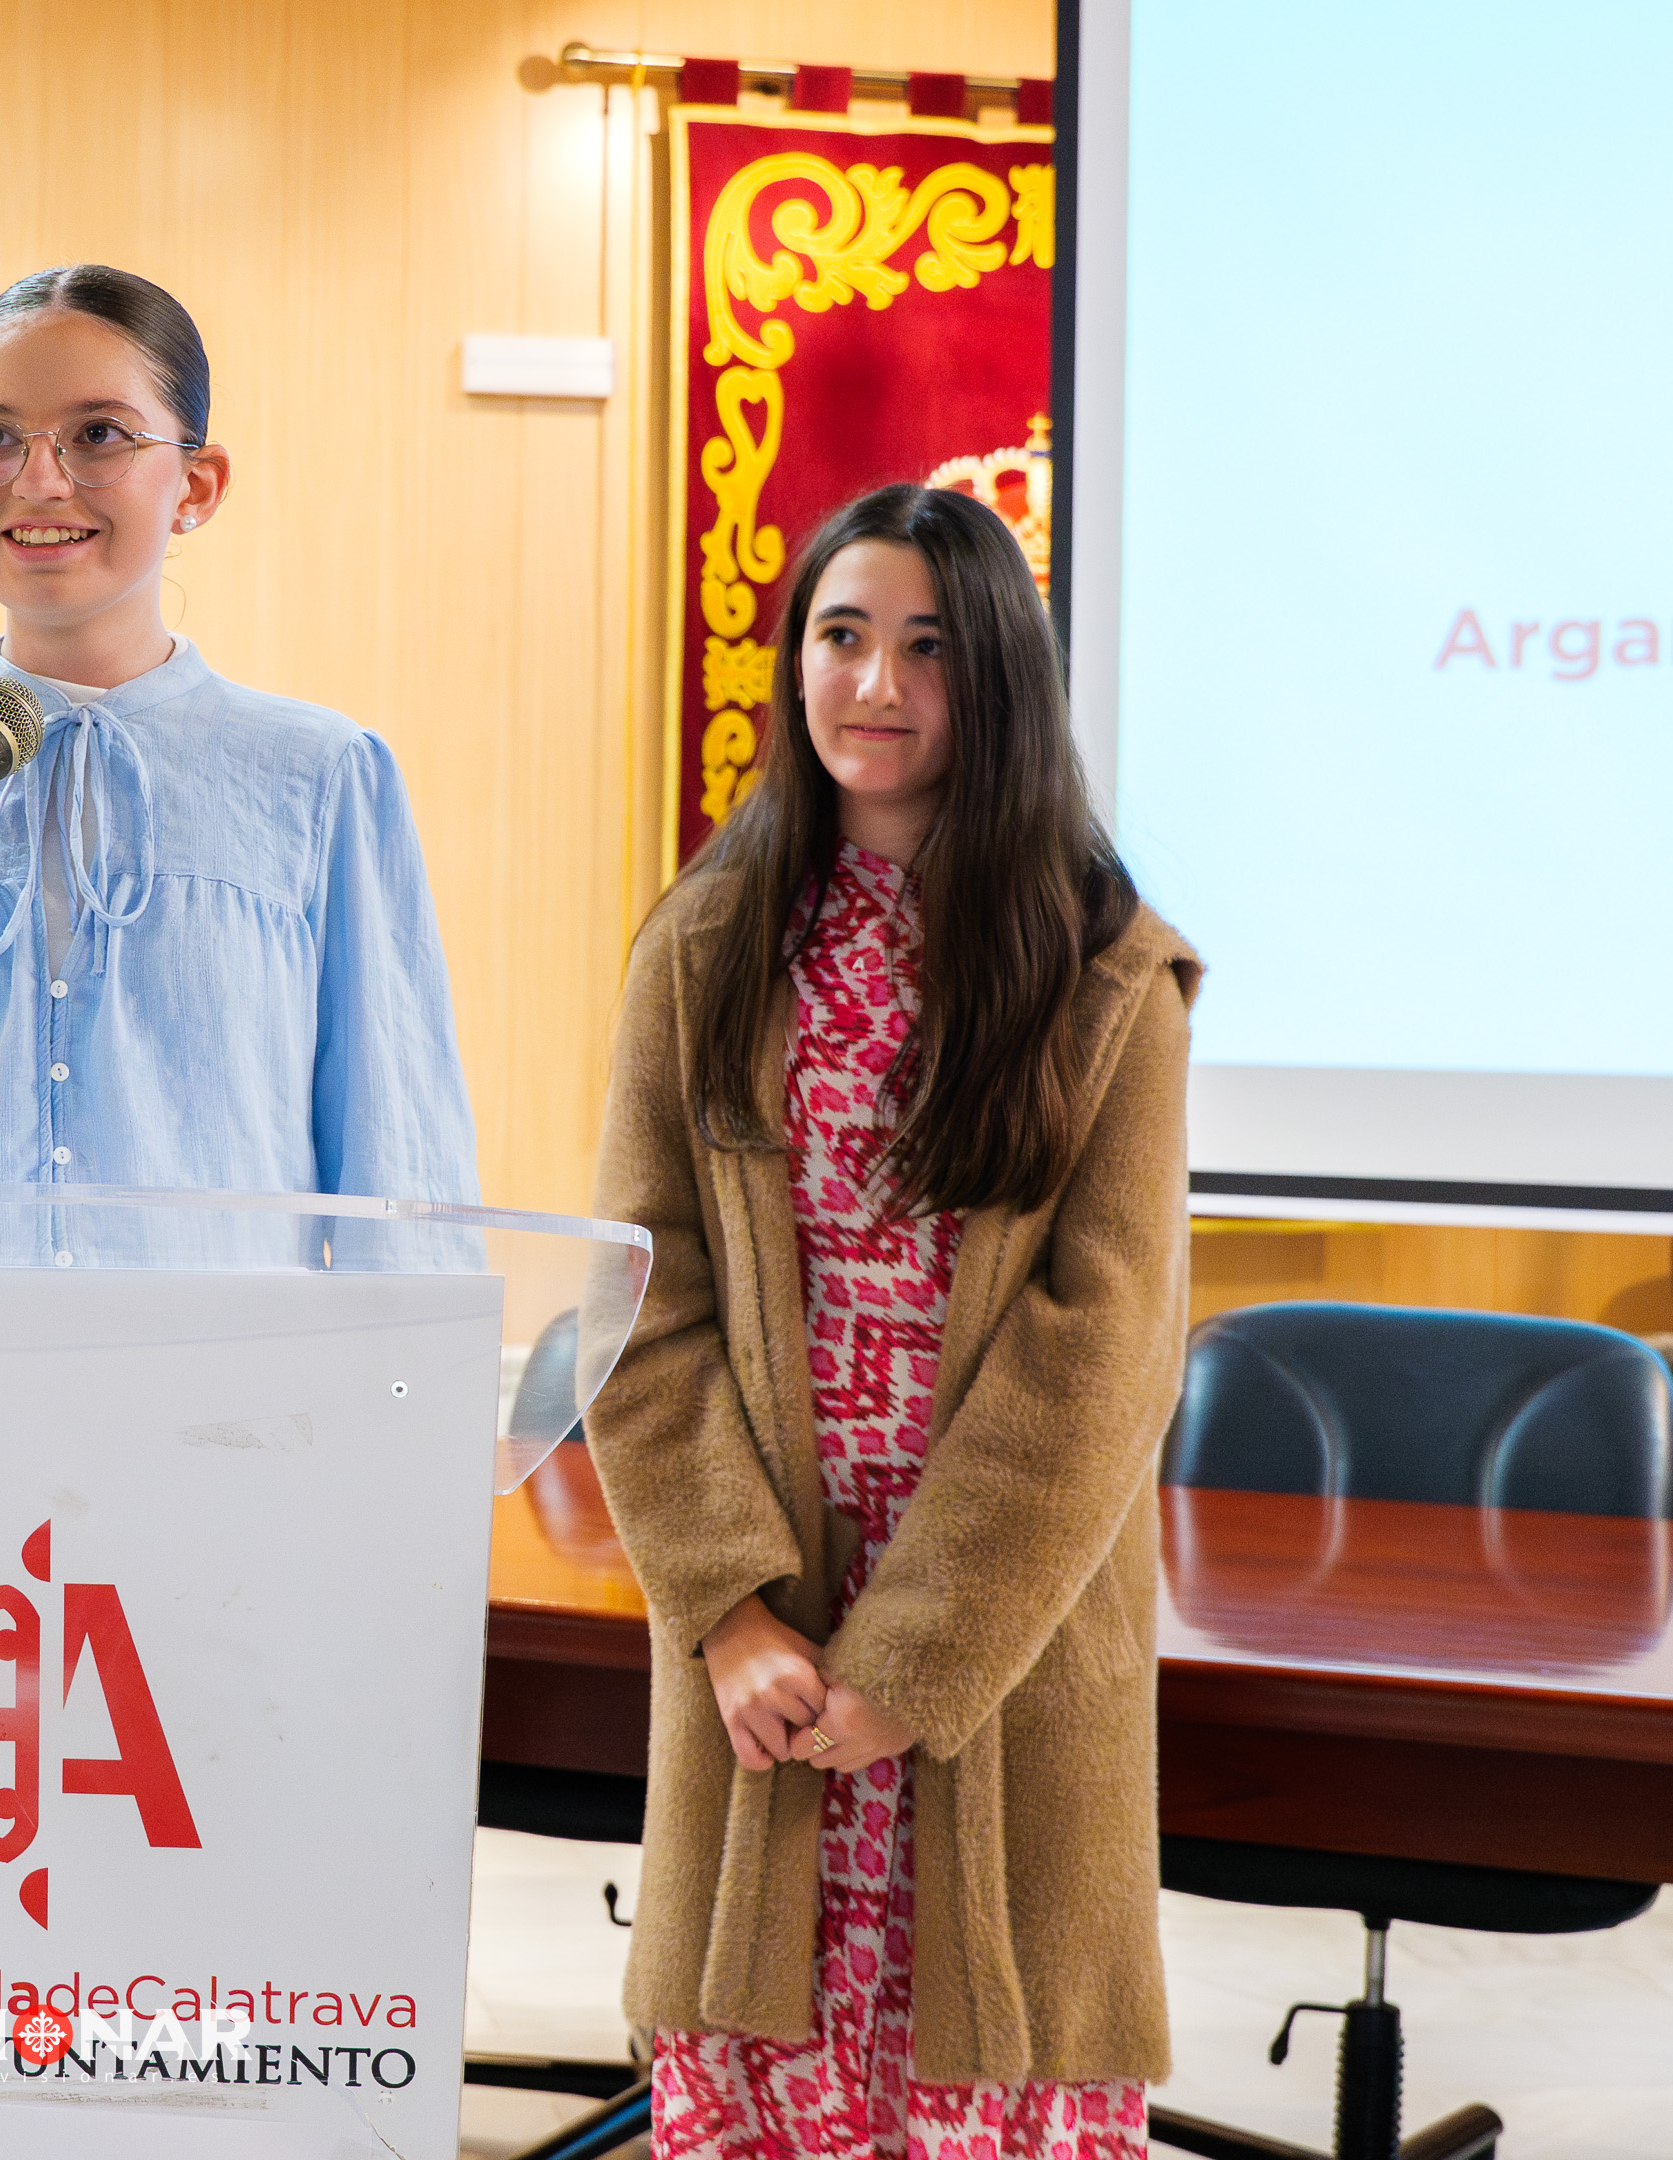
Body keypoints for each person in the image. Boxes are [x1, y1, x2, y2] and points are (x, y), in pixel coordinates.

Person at [586, 483, 1196, 2157]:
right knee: (755, 2079)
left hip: (1004, 1633)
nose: (873, 684)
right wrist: (726, 1612)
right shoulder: (707, 945)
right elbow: (638, 1297)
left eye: (927, 648)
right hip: (766, 1632)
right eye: (841, 635)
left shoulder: (1105, 973)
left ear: (996, 679)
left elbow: (1103, 1349)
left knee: (993, 2069)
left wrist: (916, 1662)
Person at [0, 264, 475, 1230]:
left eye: (99, 434)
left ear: (197, 484)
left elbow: (402, 1174)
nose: (39, 481)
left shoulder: (322, 780)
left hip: (215, 1337)